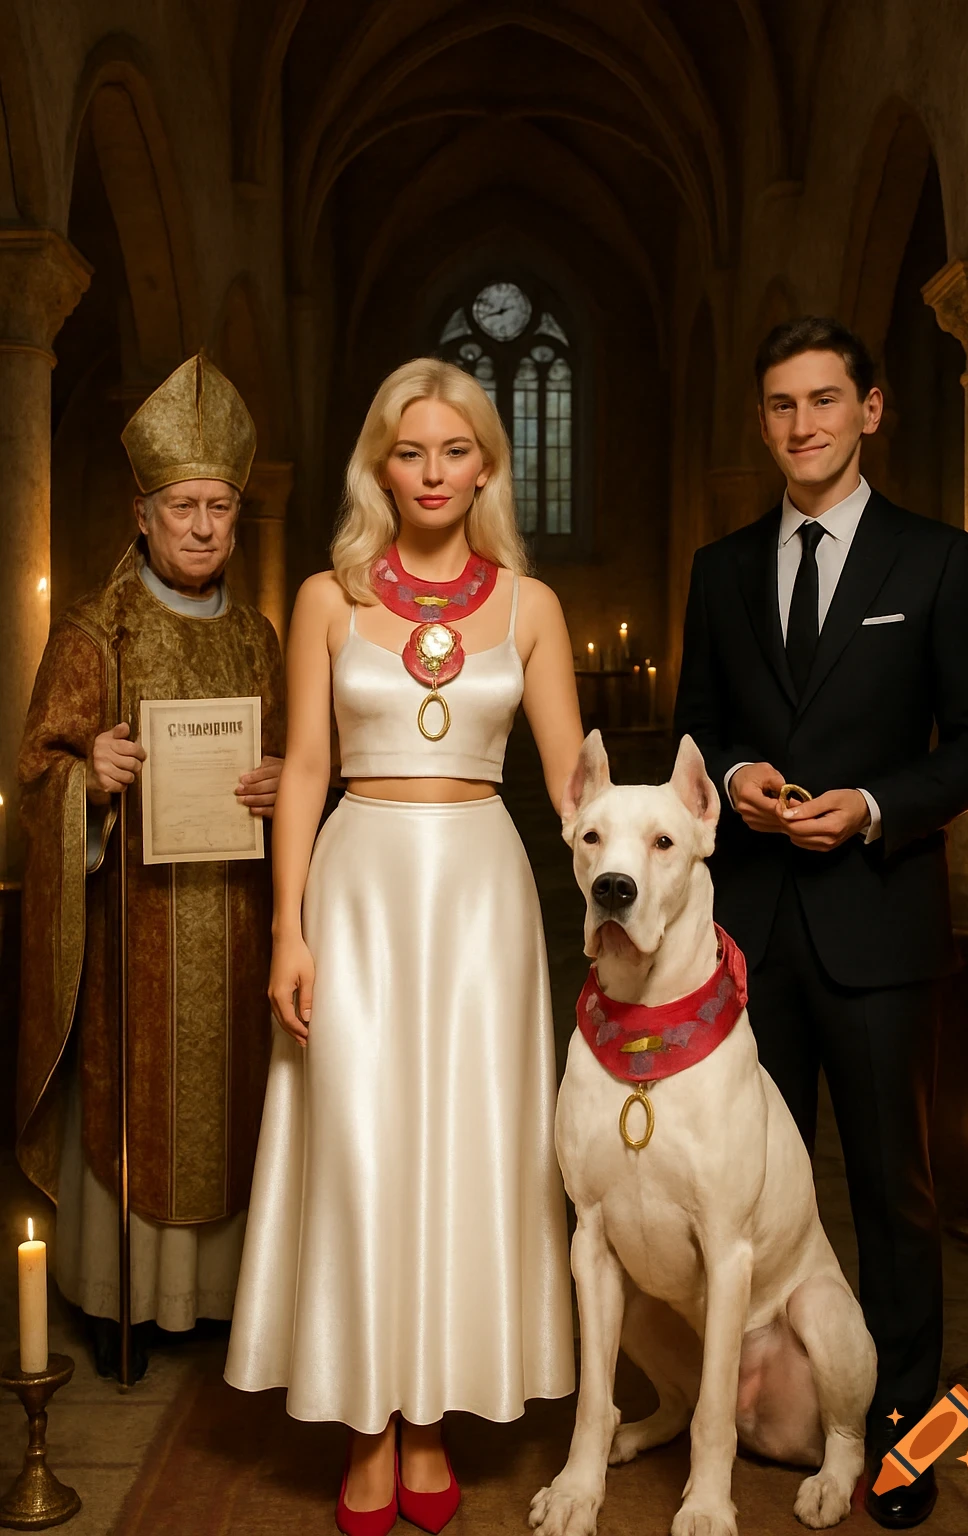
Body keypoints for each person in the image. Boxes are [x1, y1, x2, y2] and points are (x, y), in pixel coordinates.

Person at [673, 316, 968, 1530]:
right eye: (781, 404)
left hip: (880, 929)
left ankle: (909, 1440)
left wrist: (873, 805)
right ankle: (751, 1409)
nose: (802, 423)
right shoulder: (720, 570)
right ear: (762, 420)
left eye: (824, 400)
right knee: (741, 1197)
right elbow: (695, 728)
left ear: (870, 411)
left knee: (894, 1198)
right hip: (750, 938)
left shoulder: (940, 561)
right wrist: (737, 775)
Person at [225, 358, 579, 1536]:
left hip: (482, 898)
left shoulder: (530, 608)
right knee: (361, 1144)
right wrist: (288, 928)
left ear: (486, 466)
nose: (432, 472)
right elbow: (306, 770)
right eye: (410, 451)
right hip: (359, 885)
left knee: (468, 1147)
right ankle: (368, 1418)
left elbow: (575, 789)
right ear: (379, 466)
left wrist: (653, 876)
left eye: (454, 451)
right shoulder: (328, 597)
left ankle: (432, 1416)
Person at [17, 355, 285, 1377]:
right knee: (137, 1105)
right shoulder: (95, 632)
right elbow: (37, 768)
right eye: (183, 507)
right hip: (132, 933)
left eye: (220, 507)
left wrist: (283, 783)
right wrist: (86, 774)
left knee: (235, 1104)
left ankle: (218, 1302)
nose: (204, 527)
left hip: (239, 922)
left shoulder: (259, 639)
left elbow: (297, 762)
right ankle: (123, 1301)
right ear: (143, 514)